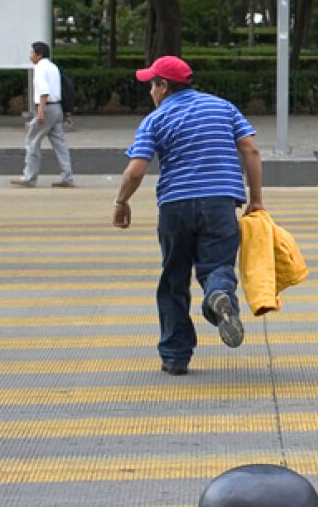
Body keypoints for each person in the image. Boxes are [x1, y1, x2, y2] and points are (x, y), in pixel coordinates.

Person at [112, 55, 265, 376]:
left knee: (173, 279)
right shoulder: (223, 107)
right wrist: (256, 200)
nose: (150, 93)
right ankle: (218, 296)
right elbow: (250, 149)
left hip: (175, 206)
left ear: (164, 86)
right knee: (217, 267)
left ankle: (175, 356)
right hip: (221, 202)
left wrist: (121, 202)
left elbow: (135, 170)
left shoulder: (155, 120)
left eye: (151, 85)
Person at [11, 41, 74, 188]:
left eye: (32, 52)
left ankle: (29, 177)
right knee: (60, 144)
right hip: (57, 108)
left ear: (39, 55)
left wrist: (40, 112)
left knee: (32, 141)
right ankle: (67, 177)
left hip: (46, 108)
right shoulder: (53, 67)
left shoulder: (40, 68)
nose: (30, 55)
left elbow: (44, 91)